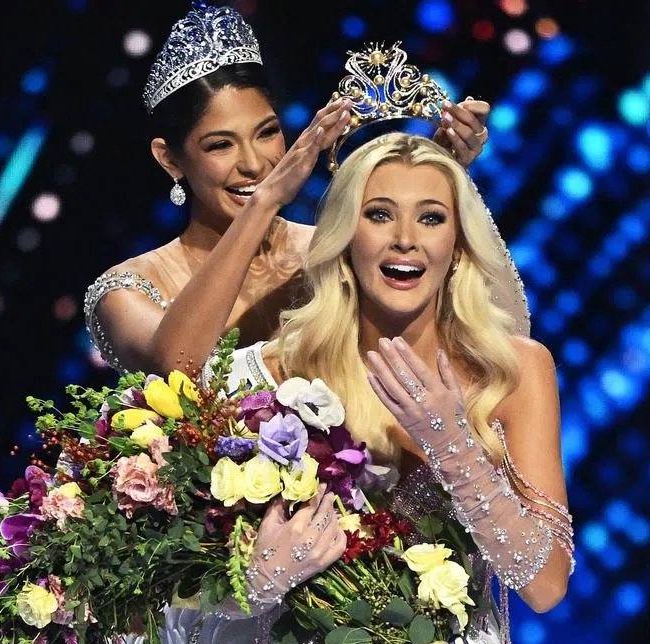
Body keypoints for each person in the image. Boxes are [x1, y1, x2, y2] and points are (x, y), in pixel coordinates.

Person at [218, 132, 574, 644]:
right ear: (344, 238)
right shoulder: (268, 374)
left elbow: (544, 584)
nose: (405, 238)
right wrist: (260, 577)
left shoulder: (514, 372)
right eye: (379, 214)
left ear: (457, 246)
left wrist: (453, 443)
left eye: (431, 218)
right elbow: (187, 595)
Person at [82, 2, 510, 379]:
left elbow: (446, 322)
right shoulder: (126, 290)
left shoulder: (329, 250)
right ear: (169, 159)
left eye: (267, 134)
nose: (254, 163)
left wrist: (439, 167)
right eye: (220, 145)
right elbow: (177, 365)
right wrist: (266, 201)